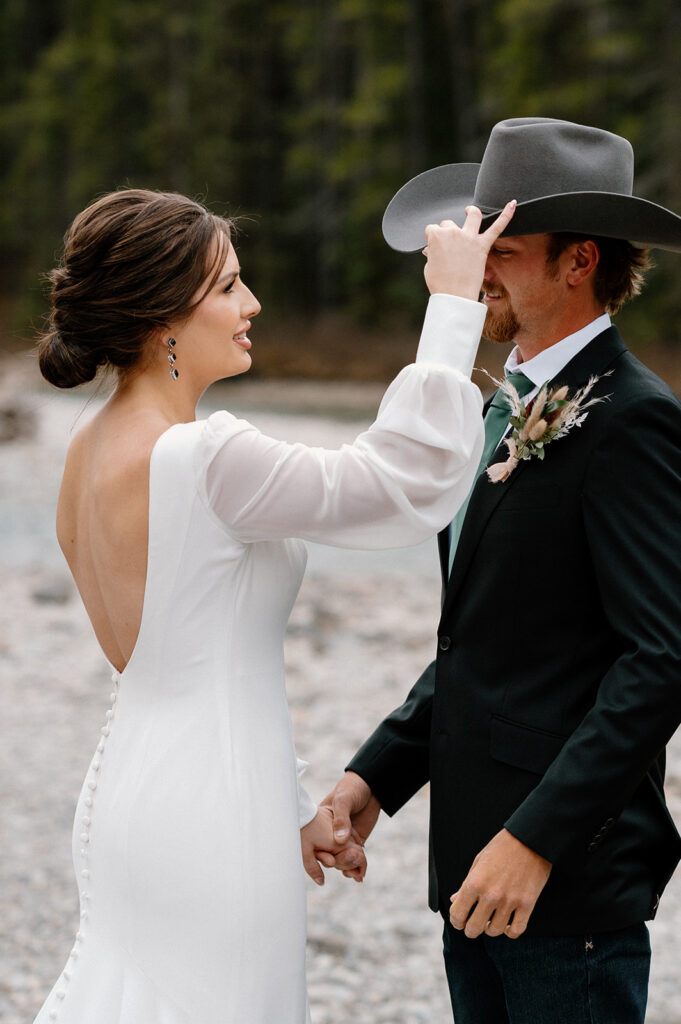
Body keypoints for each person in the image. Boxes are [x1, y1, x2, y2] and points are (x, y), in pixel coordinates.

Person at [31, 186, 515, 1024]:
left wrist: (293, 807)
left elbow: (190, 651)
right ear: (160, 318)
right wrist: (450, 306)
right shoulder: (207, 458)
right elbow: (403, 484)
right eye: (226, 286)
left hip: (139, 791)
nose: (251, 304)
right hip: (210, 810)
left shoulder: (87, 446)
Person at [322, 117, 681, 1023]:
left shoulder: (633, 420)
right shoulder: (497, 408)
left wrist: (534, 840)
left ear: (578, 261)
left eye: (504, 248)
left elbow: (662, 660)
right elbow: (481, 638)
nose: (476, 268)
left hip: (563, 886)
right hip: (472, 873)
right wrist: (375, 776)